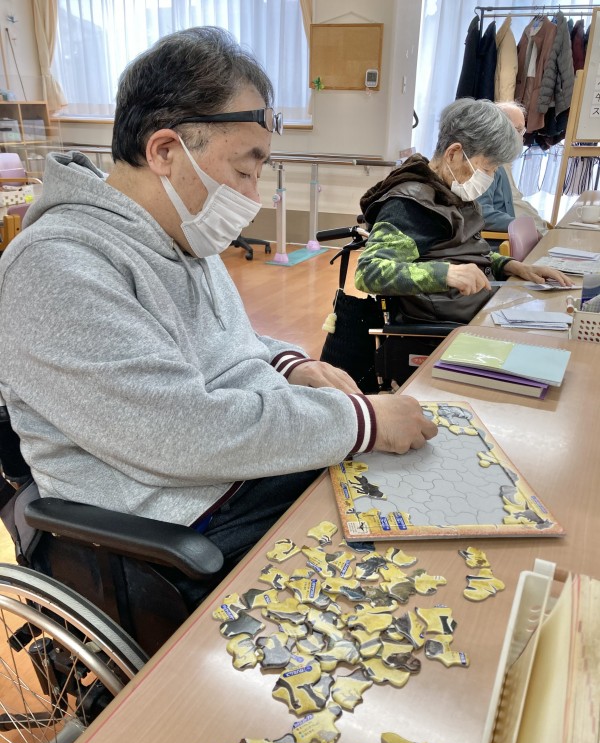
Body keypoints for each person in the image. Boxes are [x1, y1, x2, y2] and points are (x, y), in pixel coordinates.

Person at [0, 27, 437, 605]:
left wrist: (290, 365)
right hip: (180, 524)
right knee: (404, 566)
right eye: (244, 170)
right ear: (164, 151)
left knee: (415, 497)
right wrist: (363, 423)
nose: (253, 196)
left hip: (238, 473)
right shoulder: (56, 266)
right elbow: (179, 433)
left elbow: (223, 338)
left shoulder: (178, 230)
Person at [354, 98, 570, 324]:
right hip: (449, 328)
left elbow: (466, 253)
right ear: (454, 154)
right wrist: (446, 274)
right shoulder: (410, 205)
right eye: (487, 168)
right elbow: (368, 272)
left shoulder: (452, 191)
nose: (490, 177)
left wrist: (511, 266)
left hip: (479, 310)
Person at [477, 101, 549, 236]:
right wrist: (523, 227)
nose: (522, 138)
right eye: (518, 130)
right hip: (504, 241)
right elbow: (481, 212)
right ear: (497, 128)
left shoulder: (501, 161)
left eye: (522, 131)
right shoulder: (484, 163)